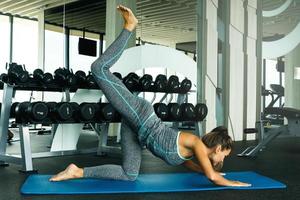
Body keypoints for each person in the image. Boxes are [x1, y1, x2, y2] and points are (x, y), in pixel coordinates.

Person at [50, 5, 250, 187]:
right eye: (225, 154)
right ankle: (129, 27)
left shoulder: (190, 154)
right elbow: (212, 177)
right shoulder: (196, 143)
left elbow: (196, 167)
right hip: (141, 115)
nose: (224, 159)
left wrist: (208, 171)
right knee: (99, 68)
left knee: (129, 174)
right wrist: (232, 182)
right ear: (217, 148)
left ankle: (77, 172)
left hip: (136, 128)